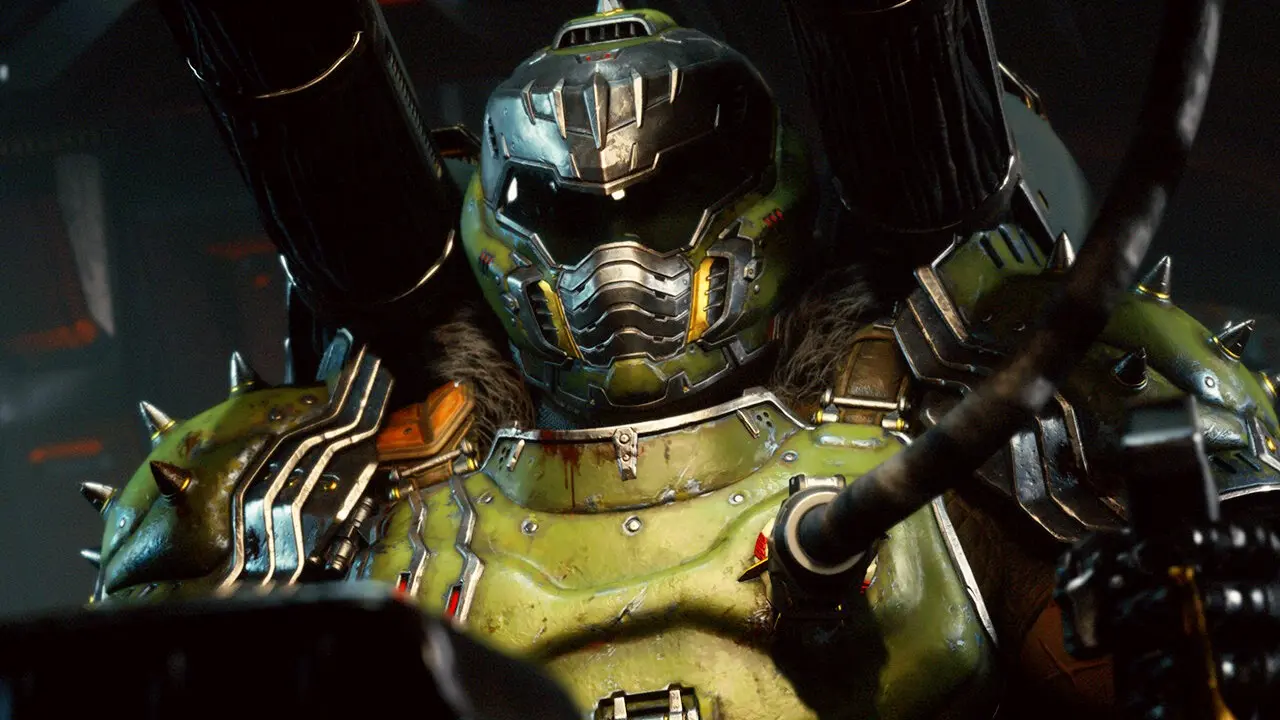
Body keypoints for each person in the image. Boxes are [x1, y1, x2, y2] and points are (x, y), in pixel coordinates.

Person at [79, 0, 1277, 717]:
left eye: (667, 203)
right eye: (569, 220)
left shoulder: (965, 406)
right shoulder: (309, 494)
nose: (618, 270)